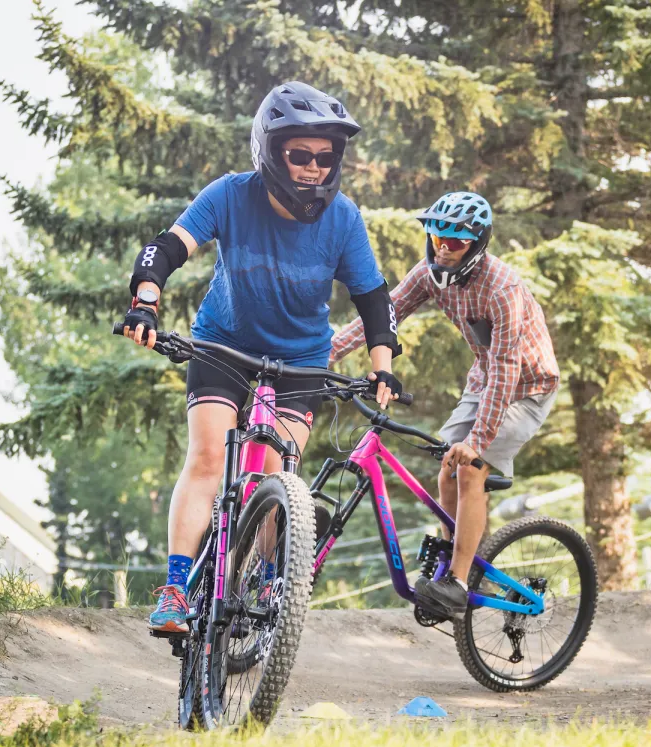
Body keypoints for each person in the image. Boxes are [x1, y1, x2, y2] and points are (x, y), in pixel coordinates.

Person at [121, 82, 403, 633]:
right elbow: (168, 247)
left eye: (326, 157)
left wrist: (382, 364)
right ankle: (177, 588)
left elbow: (373, 299)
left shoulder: (342, 218)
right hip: (224, 344)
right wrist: (146, 303)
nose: (314, 169)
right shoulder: (231, 195)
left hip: (301, 358)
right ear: (271, 153)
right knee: (207, 458)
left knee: (282, 475)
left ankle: (272, 578)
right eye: (300, 155)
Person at [329, 191, 559, 617]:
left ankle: (455, 580)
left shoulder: (502, 290)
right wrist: (329, 353)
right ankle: (459, 561)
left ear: (477, 243)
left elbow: (507, 369)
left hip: (527, 388)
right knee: (448, 469)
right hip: (484, 380)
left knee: (470, 466)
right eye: (438, 239)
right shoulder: (430, 273)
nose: (444, 249)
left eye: (455, 243)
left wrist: (478, 439)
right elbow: (385, 312)